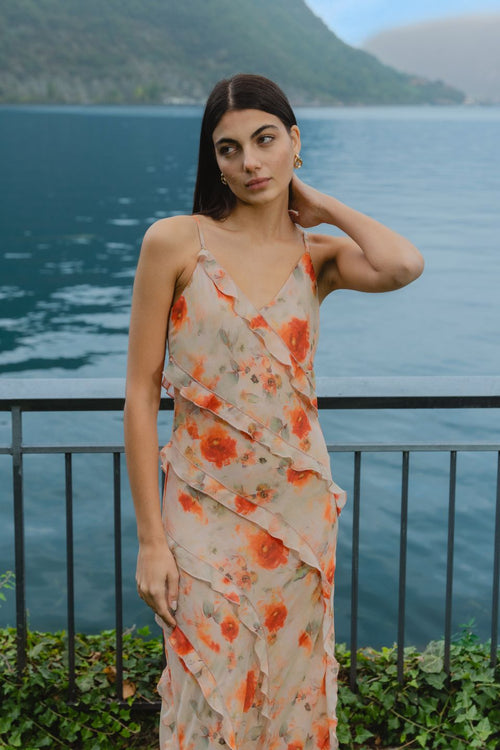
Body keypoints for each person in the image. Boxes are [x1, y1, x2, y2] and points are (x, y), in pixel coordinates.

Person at [124, 73, 424, 750]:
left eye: (265, 141)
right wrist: (150, 538)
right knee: (208, 691)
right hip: (200, 513)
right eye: (228, 149)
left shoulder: (316, 257)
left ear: (294, 142)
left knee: (290, 694)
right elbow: (142, 392)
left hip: (296, 517)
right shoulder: (175, 243)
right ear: (215, 162)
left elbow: (404, 264)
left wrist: (325, 206)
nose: (249, 162)